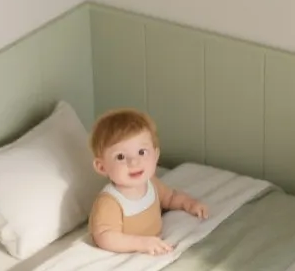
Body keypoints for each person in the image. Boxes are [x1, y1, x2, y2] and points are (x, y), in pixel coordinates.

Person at [88, 108, 208, 255]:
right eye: (120, 157)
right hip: (126, 254)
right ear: (102, 167)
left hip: (153, 245)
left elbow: (170, 197)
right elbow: (105, 237)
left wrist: (190, 204)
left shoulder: (151, 184)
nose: (134, 162)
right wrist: (141, 243)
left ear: (156, 155)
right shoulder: (110, 201)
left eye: (142, 152)